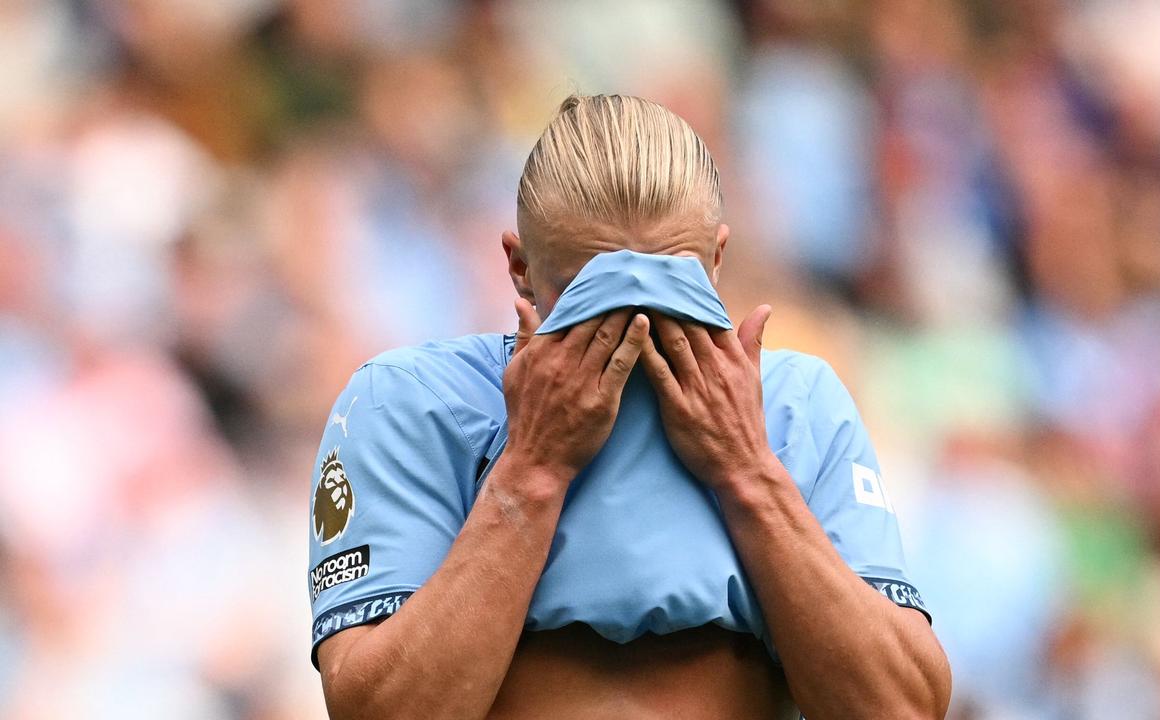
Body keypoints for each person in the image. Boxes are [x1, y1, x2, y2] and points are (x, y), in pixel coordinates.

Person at [307, 94, 951, 720]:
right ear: (520, 267)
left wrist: (748, 469)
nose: (632, 332)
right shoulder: (411, 403)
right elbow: (376, 711)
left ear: (717, 262)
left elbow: (903, 708)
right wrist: (532, 470)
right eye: (589, 300)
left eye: (675, 295)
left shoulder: (796, 404)